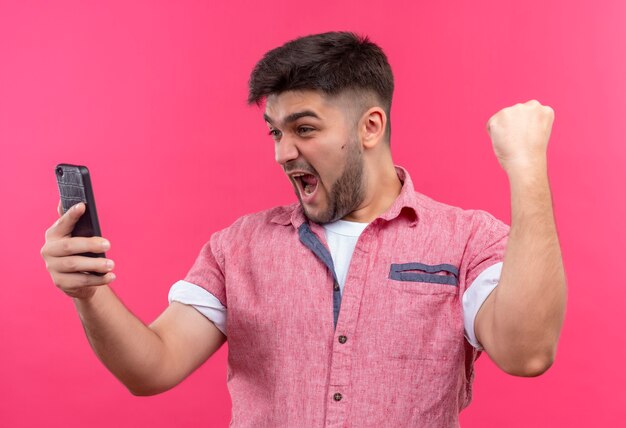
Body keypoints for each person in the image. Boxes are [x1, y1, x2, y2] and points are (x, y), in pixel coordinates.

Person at [41, 32, 567, 427]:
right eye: (274, 131)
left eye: (305, 129)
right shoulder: (238, 247)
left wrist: (527, 171)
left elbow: (527, 353)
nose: (282, 152)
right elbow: (151, 368)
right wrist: (90, 294)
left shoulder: (466, 240)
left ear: (370, 127)